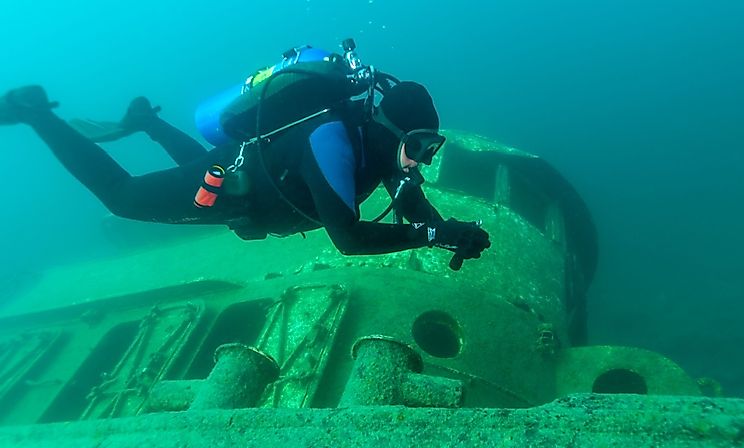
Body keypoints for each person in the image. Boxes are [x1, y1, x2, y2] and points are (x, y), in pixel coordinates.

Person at [0, 71, 491, 268]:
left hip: (245, 190)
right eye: (419, 144)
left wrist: (448, 230)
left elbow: (409, 200)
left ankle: (148, 121)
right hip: (240, 188)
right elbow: (349, 239)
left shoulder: (380, 147)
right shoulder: (335, 140)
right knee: (123, 197)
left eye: (432, 147)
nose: (423, 158)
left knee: (198, 166)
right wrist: (430, 237)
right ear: (388, 126)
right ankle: (36, 113)